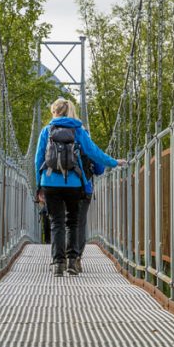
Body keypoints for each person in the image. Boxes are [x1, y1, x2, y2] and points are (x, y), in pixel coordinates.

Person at [35, 97, 125, 276]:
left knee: (56, 223)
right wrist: (114, 162)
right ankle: (71, 262)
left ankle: (57, 264)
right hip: (74, 183)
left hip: (50, 182)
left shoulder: (47, 130)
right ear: (70, 111)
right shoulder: (78, 130)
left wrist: (39, 186)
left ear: (54, 112)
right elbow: (93, 153)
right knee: (72, 222)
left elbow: (38, 160)